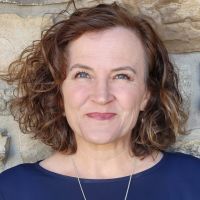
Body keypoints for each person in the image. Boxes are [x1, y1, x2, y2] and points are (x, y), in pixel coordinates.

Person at [0, 1, 200, 200]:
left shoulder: (193, 180)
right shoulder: (11, 190)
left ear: (147, 94)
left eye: (122, 76)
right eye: (83, 75)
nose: (102, 96)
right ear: (58, 92)